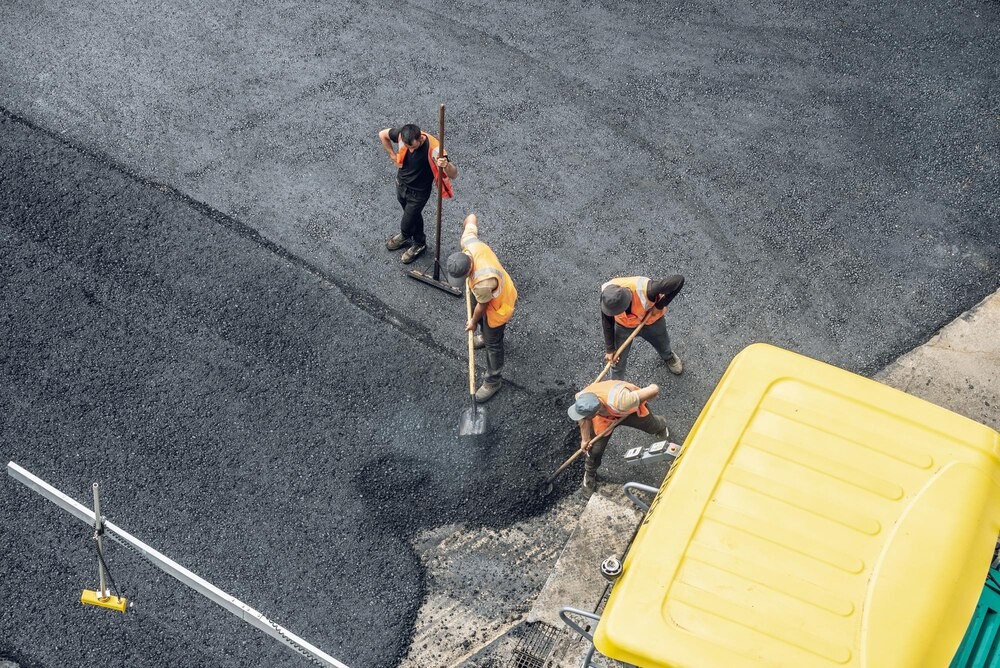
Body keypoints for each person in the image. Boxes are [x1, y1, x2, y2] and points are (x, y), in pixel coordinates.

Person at [446, 214, 517, 402]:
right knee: (485, 329)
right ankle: (484, 337)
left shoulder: (483, 282)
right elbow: (471, 219)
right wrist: (468, 221)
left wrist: (473, 322)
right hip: (483, 292)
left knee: (494, 341)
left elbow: (481, 307)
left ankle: (494, 380)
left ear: (468, 269)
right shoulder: (469, 243)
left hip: (499, 302)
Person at [568, 380, 668, 494]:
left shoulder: (624, 401)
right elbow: (583, 419)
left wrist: (652, 390)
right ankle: (589, 473)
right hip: (604, 418)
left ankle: (662, 425)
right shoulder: (582, 399)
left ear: (594, 413)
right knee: (595, 450)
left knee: (652, 426)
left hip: (628, 411)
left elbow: (653, 389)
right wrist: (585, 440)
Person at [378, 124, 458, 263]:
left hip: (418, 194)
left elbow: (454, 174)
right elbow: (382, 134)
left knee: (407, 222)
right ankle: (419, 242)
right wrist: (392, 154)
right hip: (401, 185)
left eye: (414, 147)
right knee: (413, 216)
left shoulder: (435, 149)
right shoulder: (403, 135)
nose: (411, 150)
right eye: (409, 148)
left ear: (420, 138)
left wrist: (446, 165)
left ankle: (408, 236)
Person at [601, 275, 685, 379]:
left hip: (651, 321)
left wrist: (660, 305)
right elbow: (607, 321)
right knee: (616, 359)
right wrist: (610, 349)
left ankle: (668, 357)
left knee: (662, 342)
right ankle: (616, 388)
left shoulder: (647, 290)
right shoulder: (607, 297)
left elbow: (678, 280)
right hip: (624, 325)